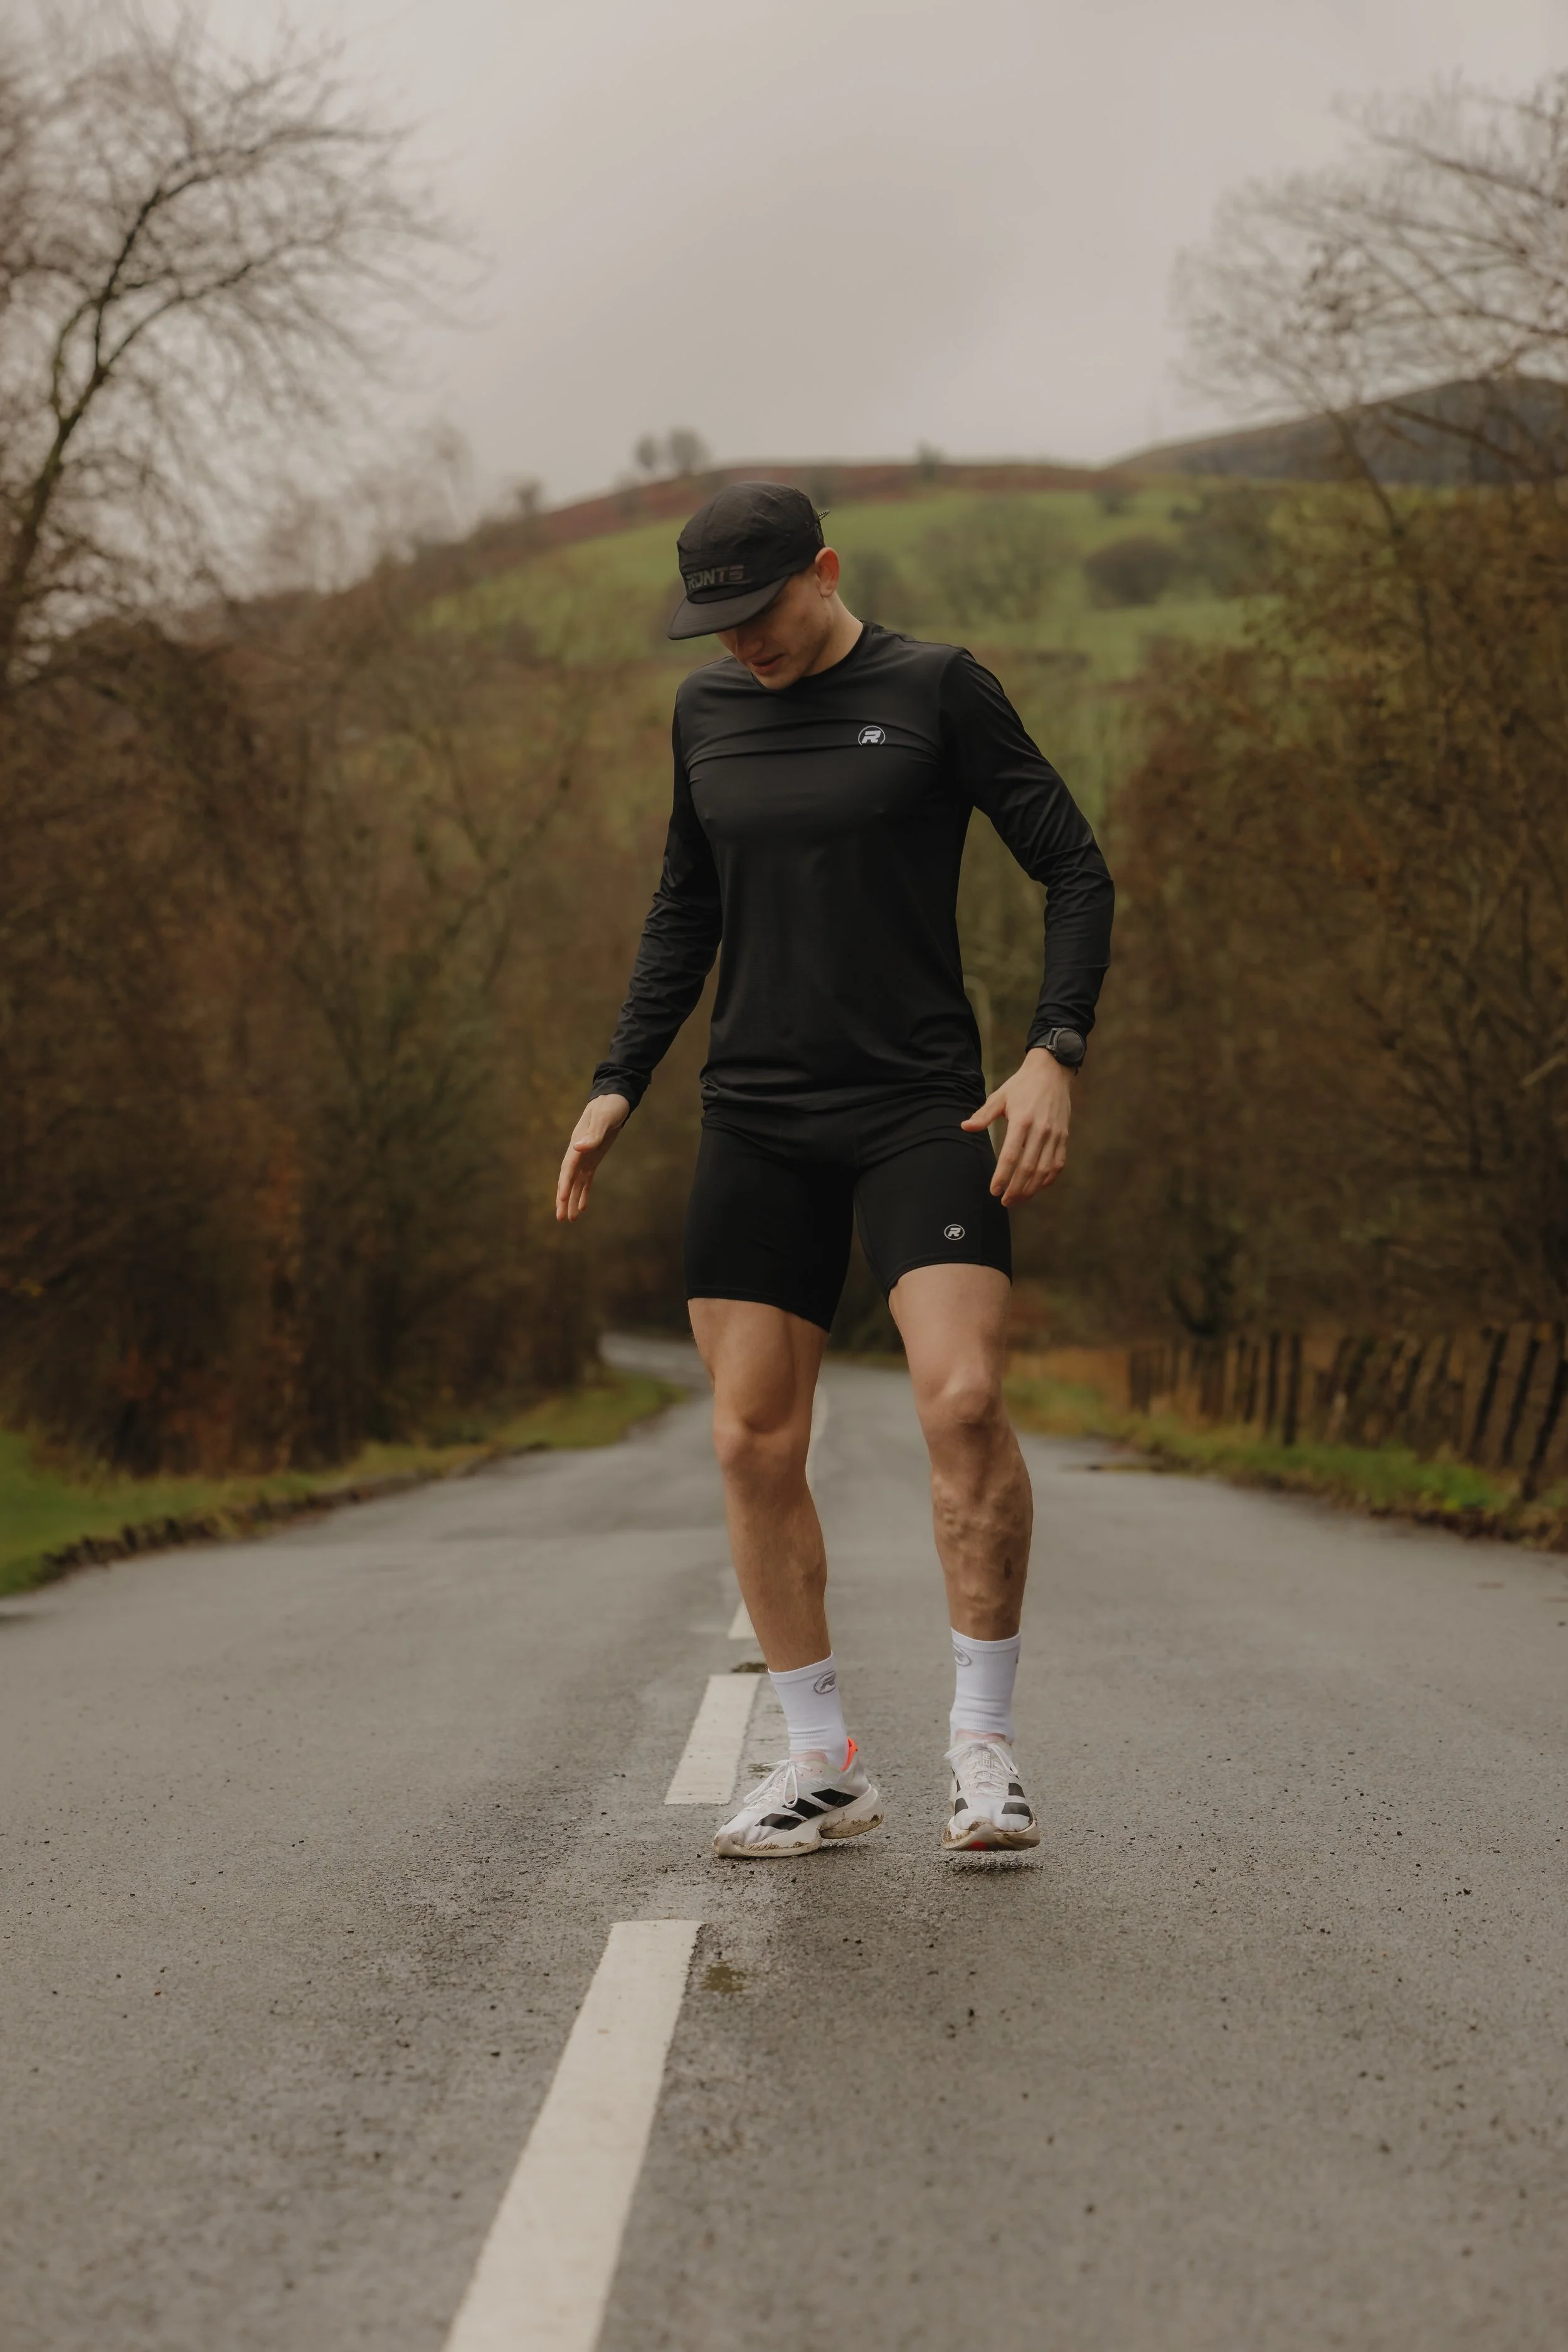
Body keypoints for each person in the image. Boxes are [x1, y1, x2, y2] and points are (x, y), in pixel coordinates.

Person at [556, 480, 1113, 1858]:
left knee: (964, 1401)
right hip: (752, 1114)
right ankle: (822, 1763)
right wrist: (617, 1078)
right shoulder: (705, 716)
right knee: (750, 1439)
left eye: (755, 610)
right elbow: (685, 907)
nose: (736, 642)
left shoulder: (936, 690)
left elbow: (1075, 871)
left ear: (824, 569)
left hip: (918, 1107)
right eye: (712, 622)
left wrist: (1052, 1053)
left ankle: (983, 1753)